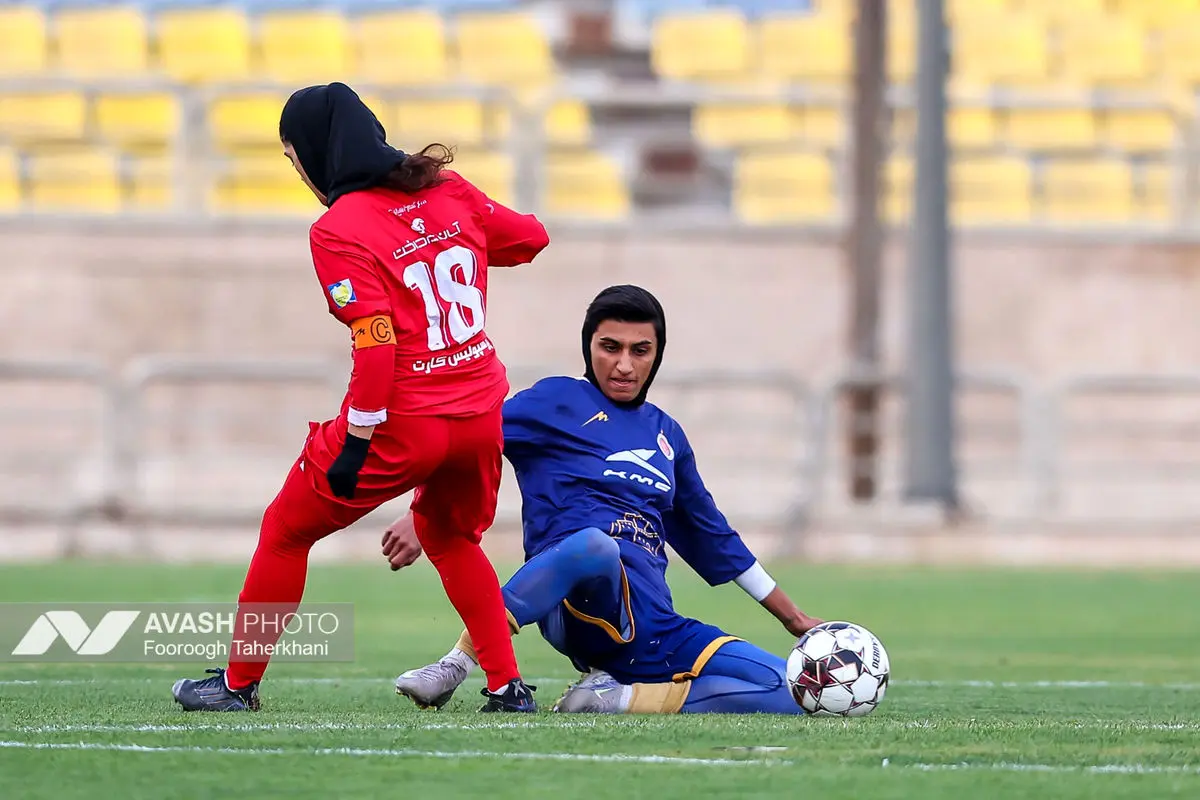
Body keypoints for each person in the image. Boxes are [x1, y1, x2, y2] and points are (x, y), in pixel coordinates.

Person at [171, 82, 547, 713]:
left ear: (315, 153)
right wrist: (456, 236)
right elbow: (530, 238)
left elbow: (376, 344)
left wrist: (358, 439)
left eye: (294, 158)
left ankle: (237, 685)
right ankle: (507, 686)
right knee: (451, 536)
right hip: (481, 412)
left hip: (406, 416)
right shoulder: (447, 191)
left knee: (286, 530)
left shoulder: (338, 228)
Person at [385, 285, 823, 715]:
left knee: (798, 690)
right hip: (573, 605)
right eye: (610, 347)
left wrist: (794, 619)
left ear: (658, 355)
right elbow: (468, 438)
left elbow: (714, 537)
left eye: (640, 350)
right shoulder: (555, 401)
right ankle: (457, 662)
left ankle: (615, 697)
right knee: (594, 544)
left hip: (652, 626)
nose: (624, 365)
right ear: (587, 346)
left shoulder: (667, 435)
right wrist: (422, 512)